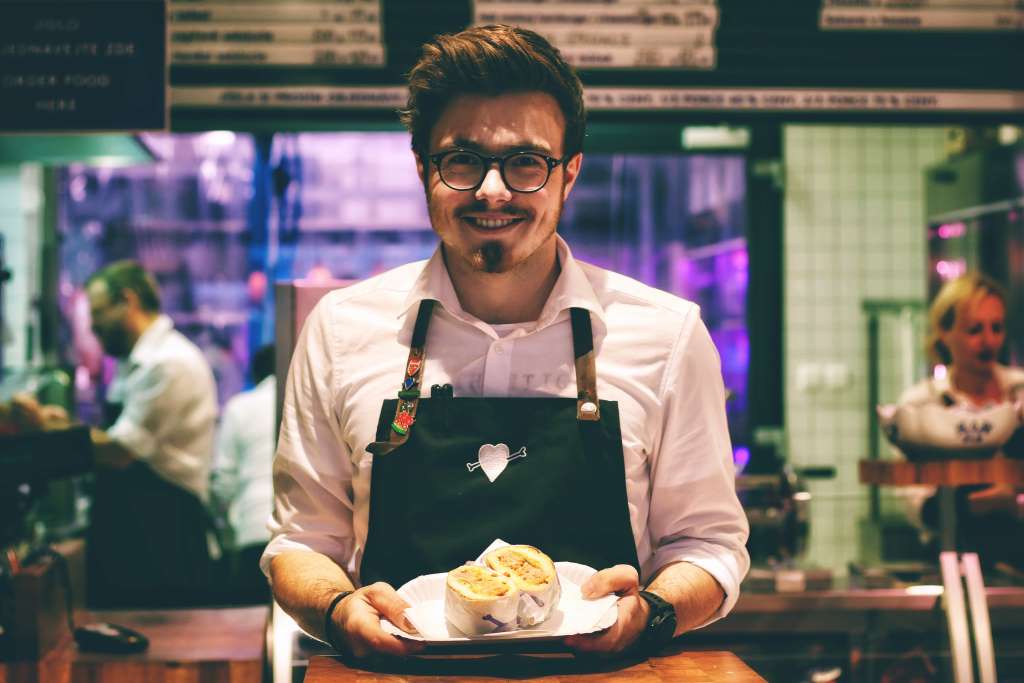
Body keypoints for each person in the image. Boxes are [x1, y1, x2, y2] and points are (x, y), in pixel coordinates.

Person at [263, 25, 749, 658]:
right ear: (423, 170)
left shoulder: (666, 335)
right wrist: (336, 611)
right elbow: (301, 543)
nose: (493, 190)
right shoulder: (340, 328)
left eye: (525, 162)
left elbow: (708, 545)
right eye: (462, 161)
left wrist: (650, 613)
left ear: (569, 174)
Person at [80, 260, 219, 606]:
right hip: (139, 526)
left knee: (164, 649)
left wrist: (50, 437)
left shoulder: (167, 362)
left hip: (163, 532)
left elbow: (119, 451)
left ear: (128, 301)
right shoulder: (137, 362)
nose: (92, 326)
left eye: (97, 313)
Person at [898, 272, 1024, 566]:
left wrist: (1015, 503)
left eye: (996, 328)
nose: (988, 340)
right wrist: (969, 506)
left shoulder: (1020, 392)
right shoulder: (921, 404)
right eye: (974, 330)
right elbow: (915, 503)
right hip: (950, 555)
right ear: (944, 331)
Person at [210, 343, 276, 603]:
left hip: (252, 530)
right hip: (306, 544)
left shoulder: (240, 407)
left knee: (250, 624)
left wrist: (226, 535)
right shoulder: (312, 401)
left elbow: (223, 481)